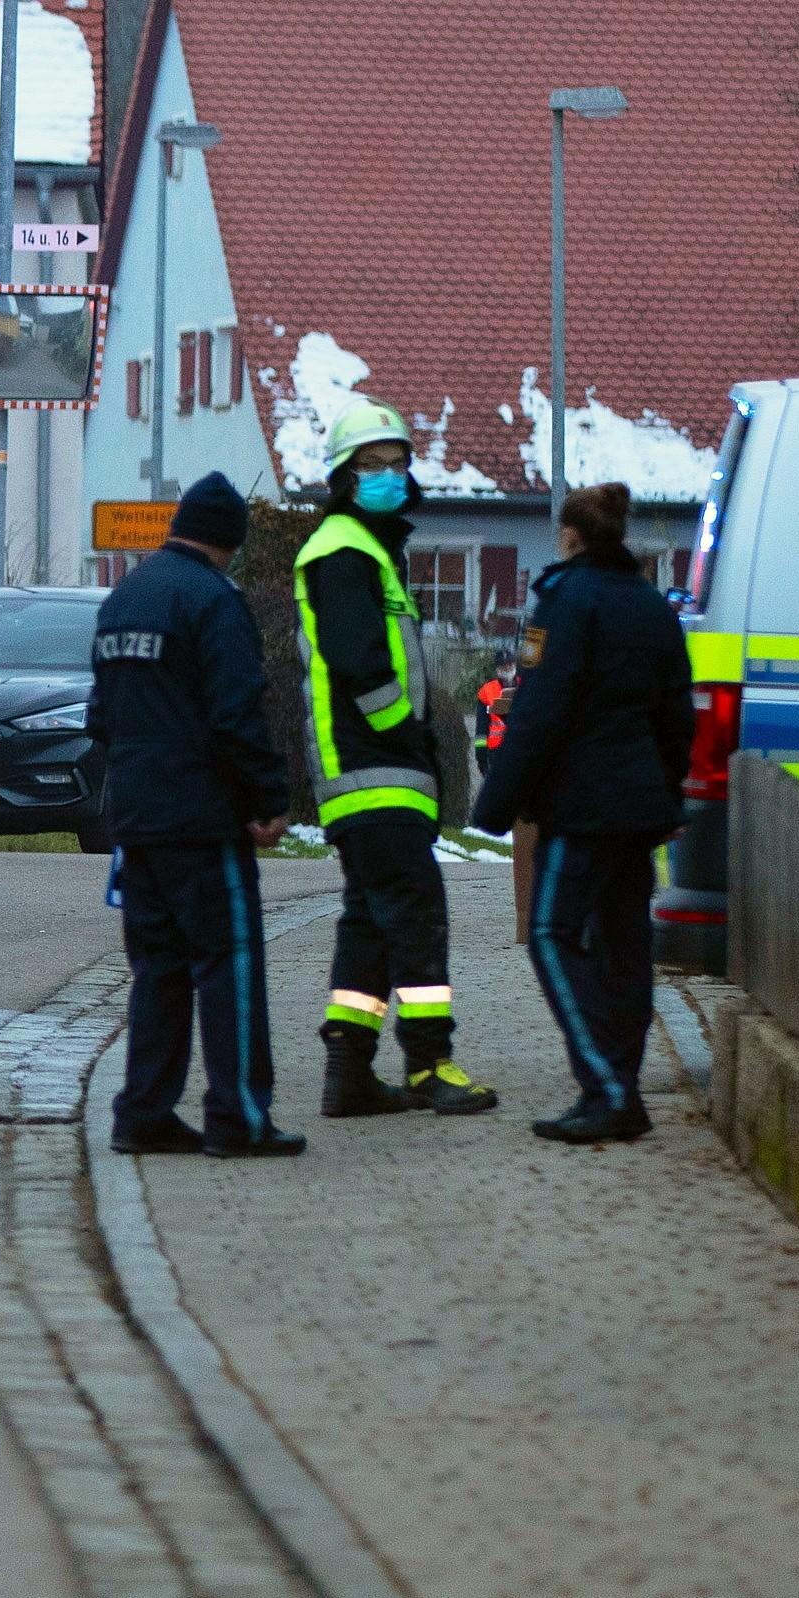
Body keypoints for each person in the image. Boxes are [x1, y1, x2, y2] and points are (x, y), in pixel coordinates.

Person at [91, 471, 306, 1157]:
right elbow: (237, 712)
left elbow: (100, 717)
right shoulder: (214, 601)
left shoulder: (125, 597)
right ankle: (239, 1116)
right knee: (228, 964)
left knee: (158, 968)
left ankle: (143, 1112)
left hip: (136, 817)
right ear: (230, 543)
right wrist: (268, 800)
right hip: (201, 819)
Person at [474, 482, 693, 1143]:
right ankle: (619, 1084)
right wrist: (666, 791)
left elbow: (540, 709)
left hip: (583, 806)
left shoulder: (563, 603)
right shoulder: (652, 605)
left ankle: (605, 1088)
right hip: (639, 808)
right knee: (626, 945)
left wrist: (497, 802)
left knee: (550, 934)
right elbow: (677, 713)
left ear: (570, 537)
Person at [299, 404, 495, 1117]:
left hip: (369, 775)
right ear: (342, 477)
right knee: (416, 916)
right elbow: (360, 663)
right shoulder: (344, 548)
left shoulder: (367, 546)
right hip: (374, 768)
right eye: (371, 465)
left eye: (396, 462)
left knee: (372, 921)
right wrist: (404, 735)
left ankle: (347, 1073)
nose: (388, 476)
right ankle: (429, 1064)